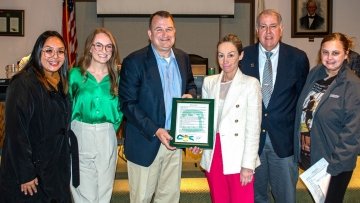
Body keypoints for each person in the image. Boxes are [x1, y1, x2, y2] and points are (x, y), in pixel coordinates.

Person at [119, 10, 197, 203]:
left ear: (175, 32)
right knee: (142, 199)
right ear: (150, 34)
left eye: (169, 29)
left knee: (170, 198)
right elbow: (128, 104)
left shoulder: (182, 57)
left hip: (175, 143)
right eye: (159, 29)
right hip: (146, 142)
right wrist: (156, 130)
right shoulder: (134, 62)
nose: (165, 34)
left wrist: (191, 95)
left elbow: (191, 85)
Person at [240, 9, 310, 203]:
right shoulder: (244, 57)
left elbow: (303, 101)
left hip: (284, 142)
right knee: (255, 197)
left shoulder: (297, 58)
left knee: (286, 198)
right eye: (263, 27)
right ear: (256, 30)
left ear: (281, 29)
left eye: (273, 26)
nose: (268, 32)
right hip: (252, 144)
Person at [0, 30, 78, 202]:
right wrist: (26, 173)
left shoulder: (61, 82)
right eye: (48, 50)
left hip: (54, 170)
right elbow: (15, 133)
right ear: (38, 52)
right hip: (30, 174)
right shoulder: (22, 83)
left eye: (60, 51)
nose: (55, 56)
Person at [294, 32, 360, 202]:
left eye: (335, 53)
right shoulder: (316, 72)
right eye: (325, 52)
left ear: (346, 54)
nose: (329, 57)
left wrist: (333, 167)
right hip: (311, 157)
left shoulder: (352, 85)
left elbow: (352, 134)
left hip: (333, 164)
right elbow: (306, 111)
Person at [198, 33, 262, 202]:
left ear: (240, 55)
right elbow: (205, 120)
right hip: (213, 153)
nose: (225, 60)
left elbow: (253, 128)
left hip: (239, 155)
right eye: (221, 55)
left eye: (231, 55)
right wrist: (197, 140)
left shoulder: (251, 84)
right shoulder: (209, 82)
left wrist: (248, 165)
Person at [69, 27, 123, 202]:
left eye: (108, 47)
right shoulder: (75, 75)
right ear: (90, 48)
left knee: (103, 193)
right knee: (84, 193)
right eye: (98, 45)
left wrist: (108, 129)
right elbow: (65, 106)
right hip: (80, 133)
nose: (103, 50)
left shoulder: (118, 78)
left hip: (107, 135)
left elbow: (122, 109)